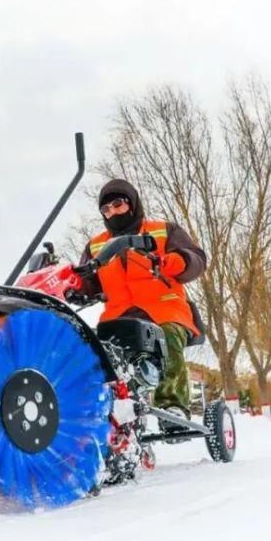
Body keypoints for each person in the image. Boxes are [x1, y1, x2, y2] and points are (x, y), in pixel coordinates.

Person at [76, 178, 207, 422]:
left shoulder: (162, 231)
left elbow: (196, 260)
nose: (112, 211)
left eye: (117, 204)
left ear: (132, 203)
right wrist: (75, 288)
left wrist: (171, 261)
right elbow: (86, 282)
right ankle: (111, 414)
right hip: (119, 318)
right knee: (94, 352)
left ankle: (172, 405)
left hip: (165, 310)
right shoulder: (95, 247)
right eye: (106, 209)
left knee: (165, 336)